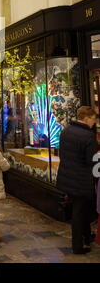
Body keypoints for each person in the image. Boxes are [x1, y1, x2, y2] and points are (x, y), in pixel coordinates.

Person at [56, 106, 98, 254]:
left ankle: (87, 237)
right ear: (86, 118)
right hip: (81, 180)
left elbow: (63, 154)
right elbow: (91, 161)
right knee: (79, 212)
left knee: (81, 209)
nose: (95, 123)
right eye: (93, 119)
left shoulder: (65, 131)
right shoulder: (88, 136)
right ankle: (77, 246)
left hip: (68, 177)